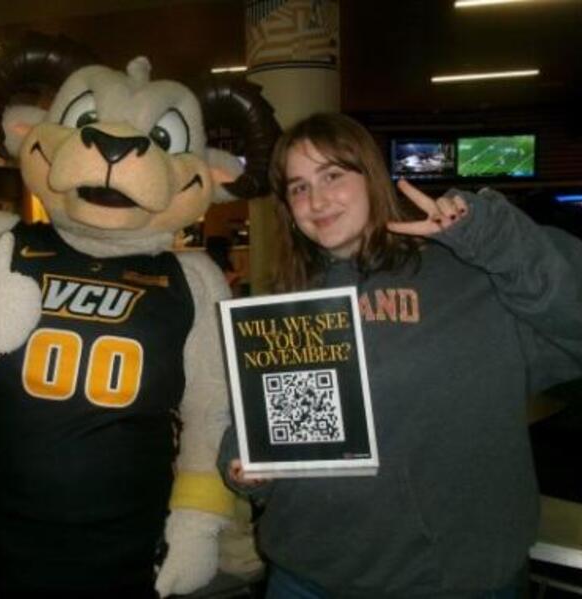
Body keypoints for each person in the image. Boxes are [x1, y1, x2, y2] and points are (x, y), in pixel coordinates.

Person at [218, 113, 582, 598]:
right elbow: (264, 425)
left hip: (454, 582)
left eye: (332, 176)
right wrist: (244, 463)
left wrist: (491, 237)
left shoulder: (468, 273)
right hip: (305, 574)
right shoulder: (290, 299)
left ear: (371, 176)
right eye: (299, 187)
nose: (317, 200)